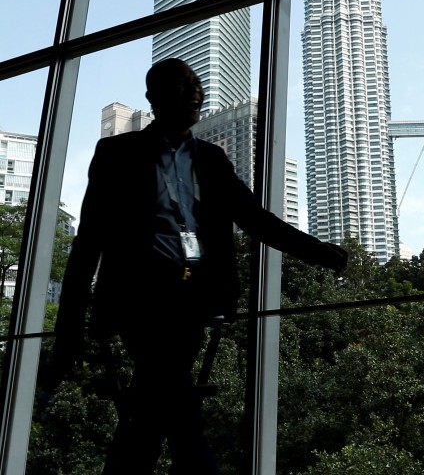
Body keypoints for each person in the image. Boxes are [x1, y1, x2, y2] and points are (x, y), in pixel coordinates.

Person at [51, 58, 349, 474]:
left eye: (196, 82)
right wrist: (69, 324)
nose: (195, 90)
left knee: (149, 416)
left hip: (193, 304)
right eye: (181, 84)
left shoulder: (211, 159)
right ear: (153, 98)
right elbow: (89, 240)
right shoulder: (116, 152)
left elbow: (253, 217)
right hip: (139, 304)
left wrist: (315, 250)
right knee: (179, 415)